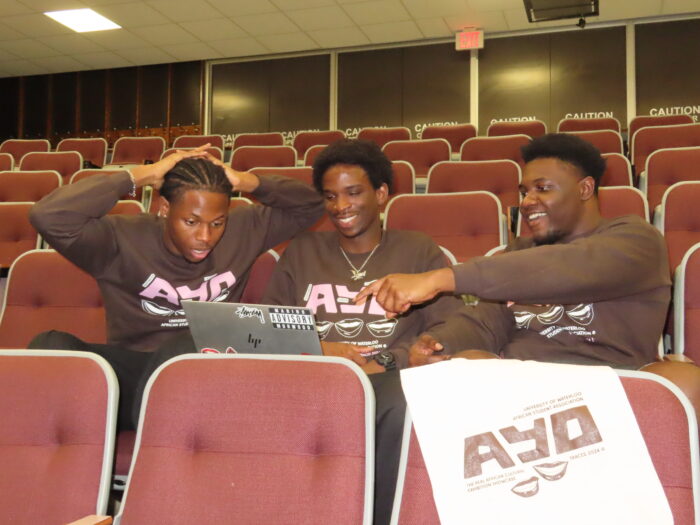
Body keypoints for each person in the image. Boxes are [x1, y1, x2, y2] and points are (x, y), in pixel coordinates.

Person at [28, 145, 324, 430]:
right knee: (50, 346)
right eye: (191, 221)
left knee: (185, 346)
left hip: (202, 378)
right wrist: (138, 176)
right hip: (133, 372)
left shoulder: (245, 229)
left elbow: (312, 204)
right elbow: (48, 216)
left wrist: (247, 181)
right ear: (165, 208)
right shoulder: (119, 240)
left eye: (217, 223)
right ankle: (102, 437)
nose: (205, 237)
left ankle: (142, 432)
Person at [262, 139, 462, 525]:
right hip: (312, 380)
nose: (341, 207)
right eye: (331, 196)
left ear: (382, 193)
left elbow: (446, 327)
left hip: (388, 383)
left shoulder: (417, 250)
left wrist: (390, 359)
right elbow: (267, 326)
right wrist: (317, 348)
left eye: (353, 193)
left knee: (404, 406)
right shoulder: (303, 250)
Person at [355, 133, 672, 370]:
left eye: (543, 188)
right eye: (524, 191)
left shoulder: (637, 239)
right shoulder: (518, 251)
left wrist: (440, 278)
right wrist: (437, 344)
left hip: (612, 387)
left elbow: (567, 266)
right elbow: (484, 321)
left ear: (585, 189)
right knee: (464, 363)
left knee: (683, 380)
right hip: (522, 389)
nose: (528, 201)